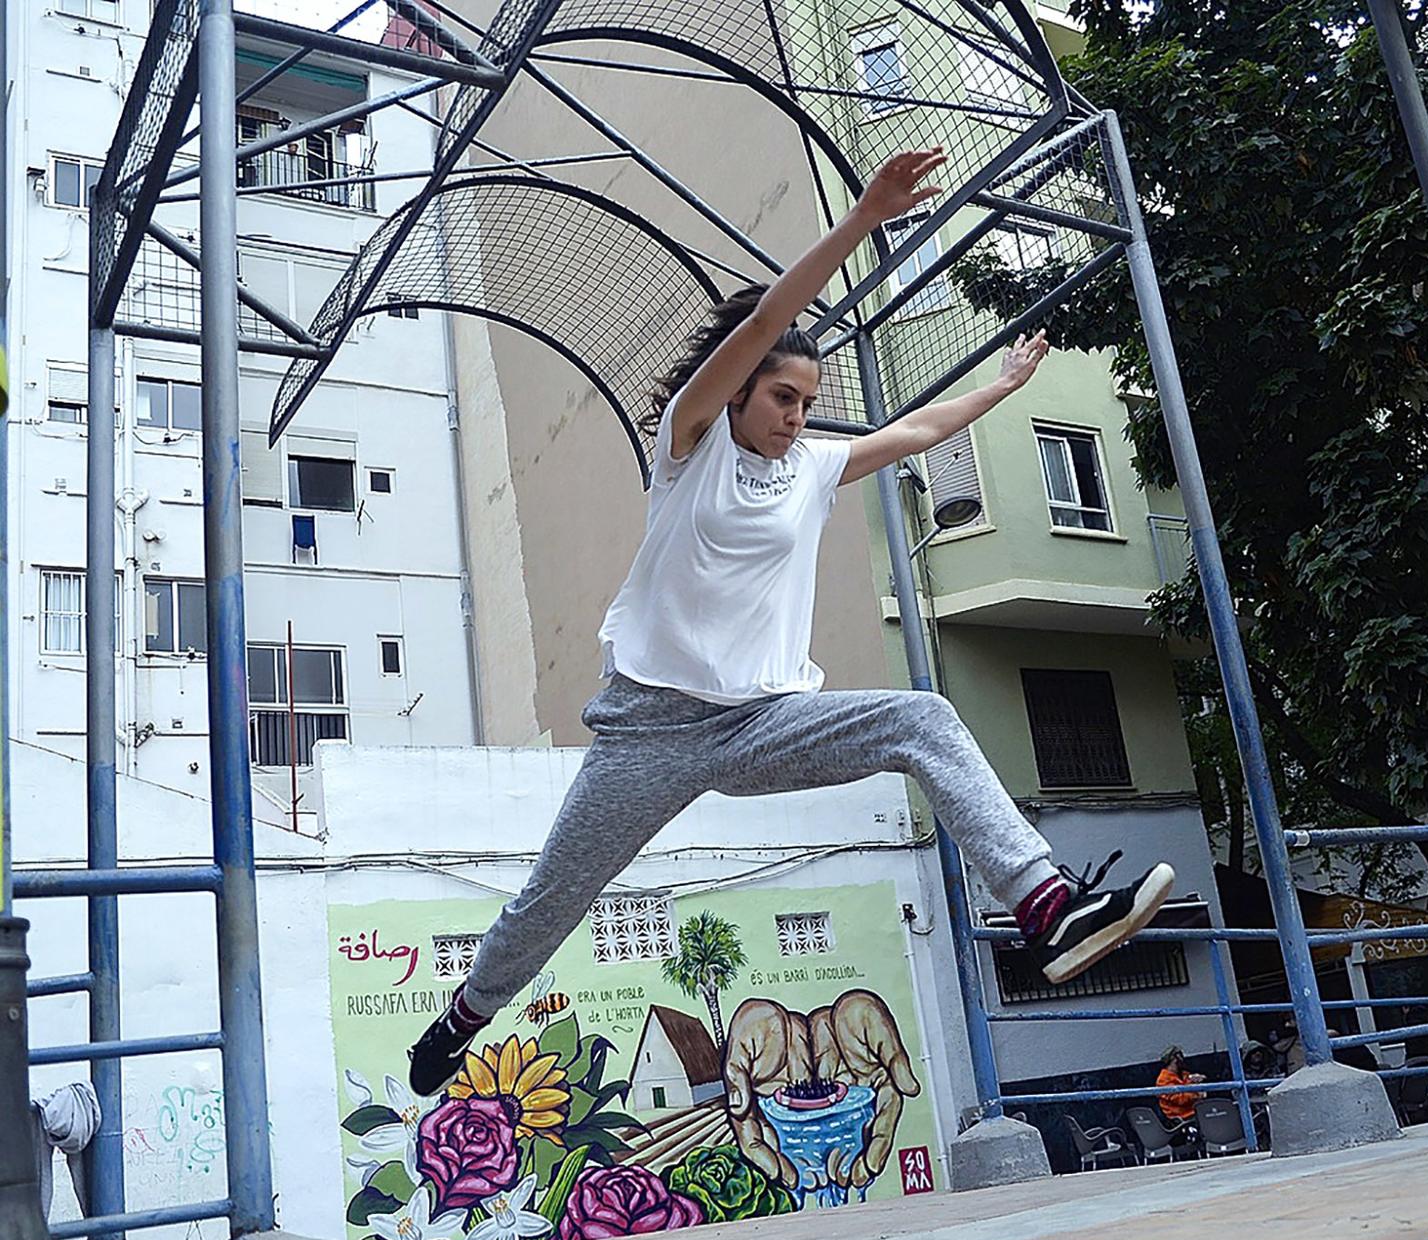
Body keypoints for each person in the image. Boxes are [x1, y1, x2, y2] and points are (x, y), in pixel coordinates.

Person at [408, 148, 1174, 1096]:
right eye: (782, 398)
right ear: (739, 390)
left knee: (921, 720)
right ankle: (463, 1018)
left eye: (808, 404)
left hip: (762, 723)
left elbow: (918, 433)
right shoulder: (689, 444)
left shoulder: (811, 464)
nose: (796, 418)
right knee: (555, 897)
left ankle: (1044, 905)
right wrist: (862, 221)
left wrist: (1005, 390)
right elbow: (771, 317)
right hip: (649, 727)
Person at [1155, 1045, 1205, 1126]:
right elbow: (1180, 1099)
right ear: (1174, 1059)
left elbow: (1187, 1085)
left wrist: (1195, 1081)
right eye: (1180, 1056)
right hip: (1180, 1117)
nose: (1182, 1059)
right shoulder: (1163, 1080)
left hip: (1193, 1112)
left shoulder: (1183, 1074)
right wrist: (1197, 1094)